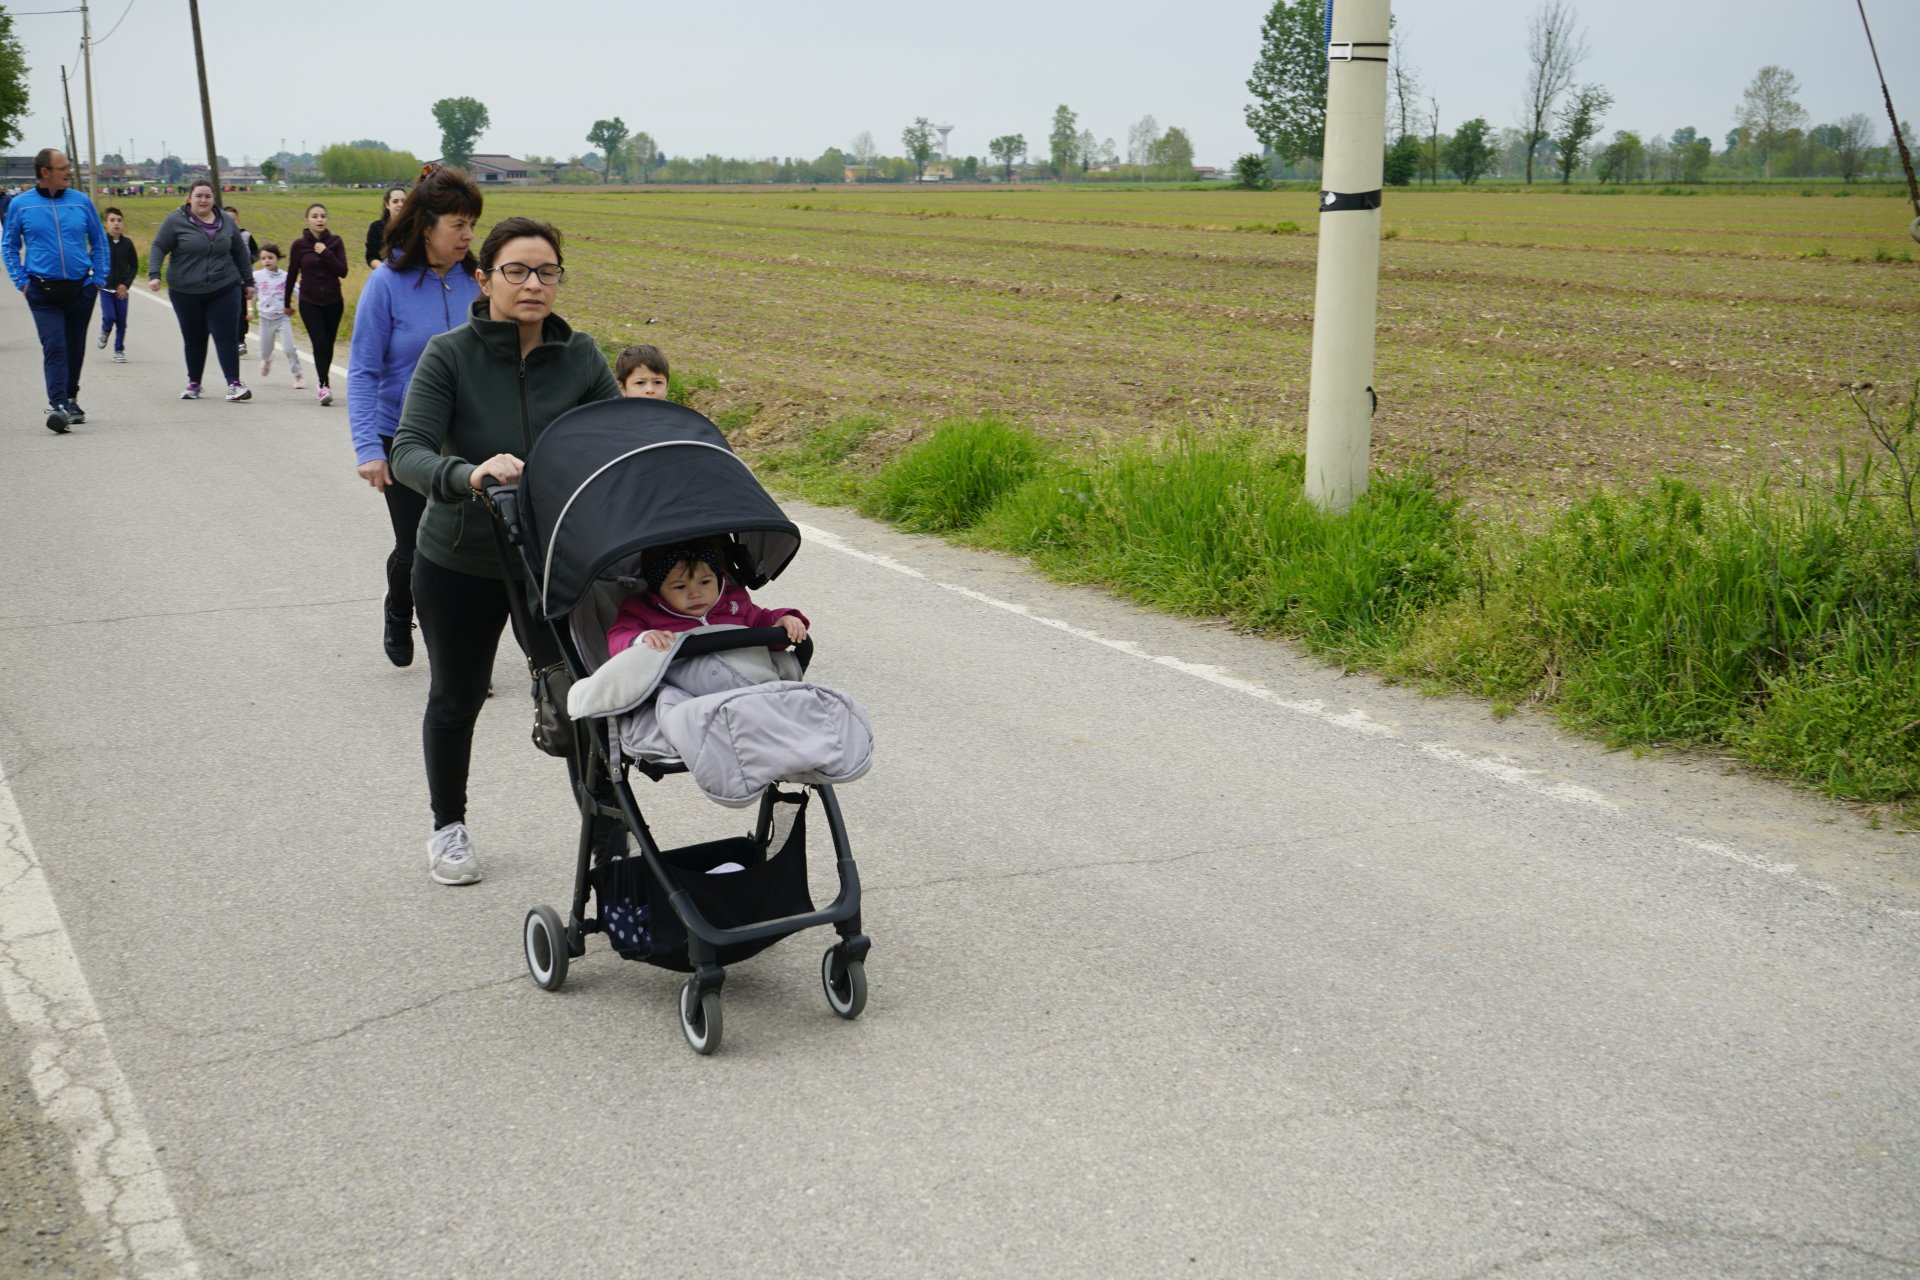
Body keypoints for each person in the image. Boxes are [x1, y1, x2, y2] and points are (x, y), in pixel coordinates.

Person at [389, 215, 621, 885]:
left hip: (552, 562)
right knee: (456, 696)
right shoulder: (449, 354)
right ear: (484, 279)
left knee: (579, 699)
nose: (533, 284)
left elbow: (617, 440)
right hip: (459, 558)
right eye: (516, 271)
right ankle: (448, 829)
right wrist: (469, 475)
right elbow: (408, 452)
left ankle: (609, 843)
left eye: (547, 272)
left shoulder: (581, 356)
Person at [346, 165, 483, 670]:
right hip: (403, 437)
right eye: (458, 225)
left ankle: (456, 651)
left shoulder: (479, 282)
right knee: (417, 547)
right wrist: (368, 448)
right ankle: (399, 608)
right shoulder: (387, 283)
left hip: (465, 437)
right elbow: (363, 370)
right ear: (427, 227)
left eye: (472, 225)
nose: (468, 236)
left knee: (467, 548)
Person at [1, 148, 110, 433]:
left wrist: (98, 279)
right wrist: (22, 283)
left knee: (74, 347)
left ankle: (71, 399)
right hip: (41, 291)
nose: (69, 172)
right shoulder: (21, 205)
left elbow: (99, 241)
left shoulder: (80, 201)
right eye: (63, 168)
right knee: (55, 345)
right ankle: (58, 406)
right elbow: (9, 246)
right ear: (44, 172)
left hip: (81, 289)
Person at [148, 180, 255, 401]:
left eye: (208, 196)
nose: (203, 200)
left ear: (214, 199)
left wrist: (248, 281)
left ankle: (234, 384)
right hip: (185, 290)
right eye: (199, 196)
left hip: (224, 285)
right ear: (190, 198)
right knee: (194, 337)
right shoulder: (175, 221)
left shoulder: (225, 220)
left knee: (226, 335)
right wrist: (154, 274)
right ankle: (194, 383)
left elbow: (239, 251)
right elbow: (159, 246)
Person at [608, 542, 808, 655]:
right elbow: (618, 637)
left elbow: (761, 620)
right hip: (685, 688)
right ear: (658, 590)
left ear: (718, 578)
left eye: (704, 582)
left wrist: (784, 619)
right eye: (680, 587)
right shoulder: (642, 611)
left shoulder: (734, 602)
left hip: (744, 678)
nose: (695, 593)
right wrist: (642, 638)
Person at [283, 202, 347, 405]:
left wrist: (326, 252)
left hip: (334, 302)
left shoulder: (336, 242)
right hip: (309, 302)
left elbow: (343, 271)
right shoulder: (299, 245)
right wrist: (286, 301)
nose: (320, 219)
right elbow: (292, 274)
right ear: (307, 220)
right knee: (319, 342)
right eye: (315, 216)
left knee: (328, 345)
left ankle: (324, 382)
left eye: (323, 216)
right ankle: (323, 385)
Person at [250, 244, 303, 388]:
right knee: (264, 352)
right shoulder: (257, 276)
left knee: (289, 349)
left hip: (282, 318)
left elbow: (299, 292)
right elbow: (251, 295)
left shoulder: (286, 276)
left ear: (278, 258)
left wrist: (299, 307)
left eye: (270, 257)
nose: (267, 261)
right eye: (263, 258)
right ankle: (267, 359)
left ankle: (298, 375)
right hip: (265, 319)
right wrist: (249, 310)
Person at [97, 206, 137, 363]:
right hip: (105, 288)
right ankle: (105, 330)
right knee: (109, 317)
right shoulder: (101, 243)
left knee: (121, 322)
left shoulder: (128, 244)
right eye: (112, 220)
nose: (116, 224)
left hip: (121, 291)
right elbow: (93, 261)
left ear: (123, 224)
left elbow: (134, 267)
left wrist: (126, 285)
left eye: (119, 220)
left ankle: (119, 350)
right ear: (106, 223)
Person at [224, 206, 258, 354]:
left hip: (243, 280)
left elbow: (256, 252)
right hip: (224, 280)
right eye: (227, 219)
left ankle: (241, 340)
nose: (231, 222)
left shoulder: (246, 236)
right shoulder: (218, 236)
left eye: (233, 219)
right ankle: (231, 340)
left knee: (241, 312)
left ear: (238, 220)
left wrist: (248, 260)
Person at [366, 186, 407, 270]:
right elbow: (371, 257)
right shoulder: (376, 227)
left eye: (404, 201)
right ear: (387, 205)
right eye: (395, 201)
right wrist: (386, 271)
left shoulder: (415, 227)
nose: (400, 204)